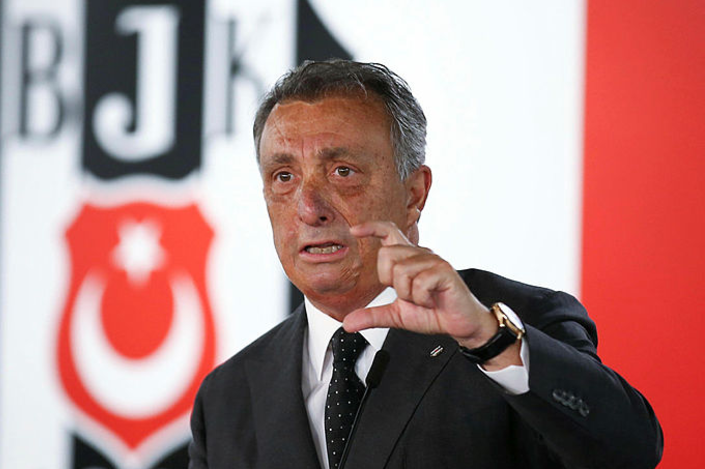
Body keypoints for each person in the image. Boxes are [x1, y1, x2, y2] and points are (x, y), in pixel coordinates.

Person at [188, 59, 662, 469]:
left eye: (342, 172)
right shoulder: (227, 398)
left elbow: (630, 451)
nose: (309, 209)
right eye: (283, 177)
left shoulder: (510, 325)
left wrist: (488, 339)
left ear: (414, 194)